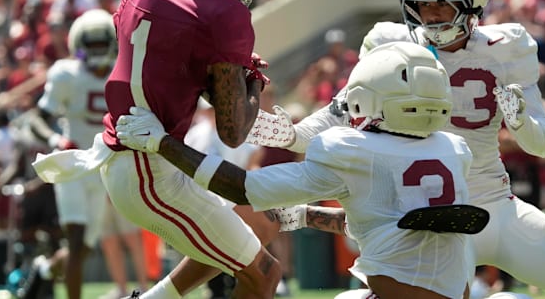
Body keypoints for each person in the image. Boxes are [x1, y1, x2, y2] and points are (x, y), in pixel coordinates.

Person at [244, 0, 545, 299]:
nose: (430, 13)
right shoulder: (390, 44)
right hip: (427, 217)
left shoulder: (507, 47)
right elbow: (344, 108)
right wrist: (293, 134)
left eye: (442, 2)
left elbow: (541, 144)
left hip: (494, 201)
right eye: (420, 2)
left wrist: (520, 119)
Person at [32, 0, 280, 299]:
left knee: (228, 241)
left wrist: (215, 66)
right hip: (150, 167)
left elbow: (165, 61)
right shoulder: (225, 15)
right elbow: (234, 132)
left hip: (131, 160)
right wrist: (251, 82)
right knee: (263, 273)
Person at [115, 41, 477, 299]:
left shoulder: (353, 149)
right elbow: (388, 220)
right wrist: (303, 215)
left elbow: (242, 188)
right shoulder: (453, 149)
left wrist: (162, 143)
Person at [24, 8, 118, 299]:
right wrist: (56, 137)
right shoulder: (67, 73)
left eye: (103, 45)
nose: (99, 53)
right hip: (73, 165)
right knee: (77, 242)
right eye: (93, 46)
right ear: (78, 46)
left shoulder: (121, 71)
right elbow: (37, 118)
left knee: (85, 248)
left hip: (101, 166)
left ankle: (44, 270)